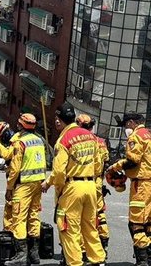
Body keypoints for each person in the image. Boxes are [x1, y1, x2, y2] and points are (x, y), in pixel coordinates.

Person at [41, 103, 105, 266]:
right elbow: (98, 165)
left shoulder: (63, 140)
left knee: (69, 230)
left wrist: (50, 185)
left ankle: (75, 263)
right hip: (90, 186)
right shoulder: (90, 136)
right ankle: (98, 261)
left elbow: (59, 172)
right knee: (90, 228)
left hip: (72, 188)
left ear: (58, 120)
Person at [106, 113, 151, 266]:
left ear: (131, 123)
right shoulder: (150, 136)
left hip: (141, 185)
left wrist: (116, 166)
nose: (125, 128)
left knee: (136, 223)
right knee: (149, 222)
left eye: (125, 125)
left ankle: (142, 261)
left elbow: (132, 161)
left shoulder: (136, 137)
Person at [3, 114, 46, 266]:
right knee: (33, 216)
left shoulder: (20, 143)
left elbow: (14, 169)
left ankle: (21, 256)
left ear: (21, 126)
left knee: (19, 218)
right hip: (38, 183)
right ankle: (34, 254)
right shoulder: (39, 140)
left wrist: (9, 187)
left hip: (24, 185)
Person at [76, 114, 110, 255]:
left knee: (82, 218)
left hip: (84, 181)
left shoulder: (82, 140)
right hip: (97, 182)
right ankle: (103, 243)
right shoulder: (100, 141)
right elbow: (106, 160)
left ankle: (83, 250)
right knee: (100, 214)